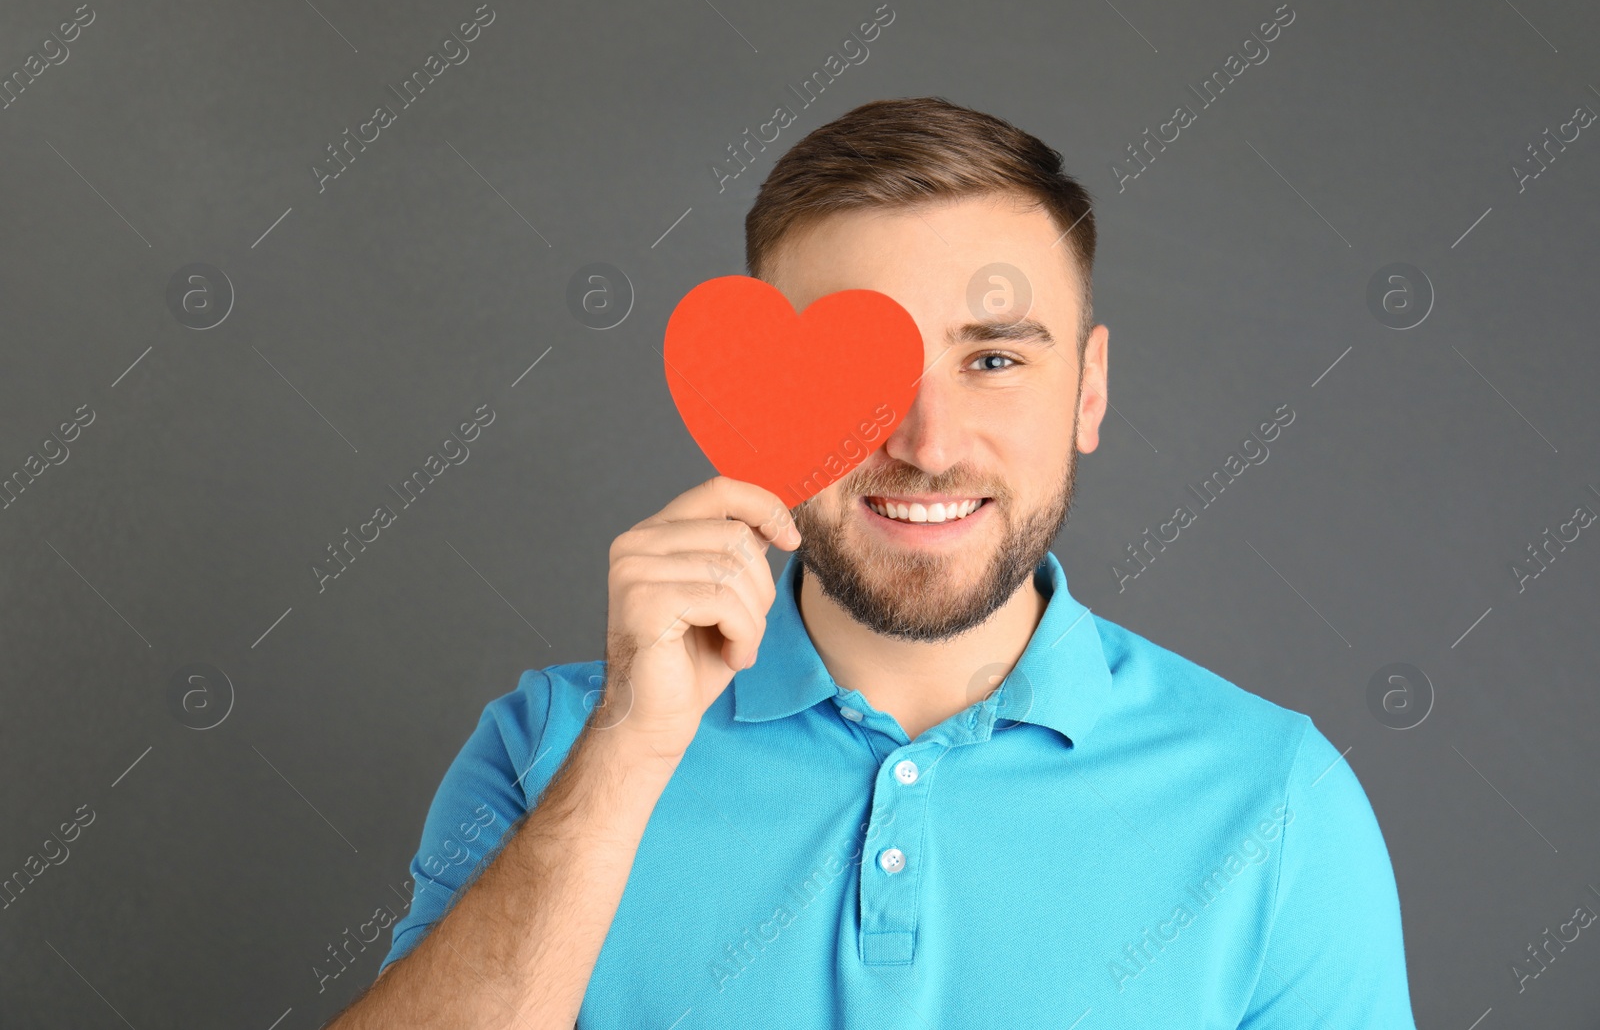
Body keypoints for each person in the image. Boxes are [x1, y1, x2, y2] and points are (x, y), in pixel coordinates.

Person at [328, 96, 1417, 1028]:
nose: (928, 443)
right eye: (859, 367)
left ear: (1087, 389)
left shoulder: (1278, 802)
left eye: (993, 357)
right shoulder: (549, 747)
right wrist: (628, 750)